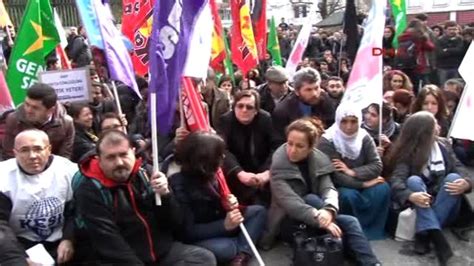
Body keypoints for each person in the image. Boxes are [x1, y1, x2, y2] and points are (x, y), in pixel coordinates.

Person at [72, 130, 215, 265]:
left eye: (123, 155)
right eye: (111, 157)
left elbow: (175, 223)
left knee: (203, 258)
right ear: (99, 159)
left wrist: (166, 195)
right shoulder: (90, 188)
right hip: (119, 260)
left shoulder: (147, 174)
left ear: (133, 152)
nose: (119, 163)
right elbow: (109, 241)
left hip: (160, 253)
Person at [262, 118, 381, 265]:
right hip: (290, 220)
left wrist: (329, 210)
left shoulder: (319, 159)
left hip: (319, 212)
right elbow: (290, 202)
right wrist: (320, 218)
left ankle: (371, 262)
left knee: (349, 221)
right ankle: (361, 256)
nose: (292, 150)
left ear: (311, 147)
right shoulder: (278, 165)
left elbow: (328, 188)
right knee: (312, 199)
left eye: (300, 146)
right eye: (290, 143)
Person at [169, 132, 267, 266]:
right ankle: (241, 247)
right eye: (219, 155)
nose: (223, 157)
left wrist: (228, 202)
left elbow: (220, 200)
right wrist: (224, 226)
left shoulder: (213, 174)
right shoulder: (178, 185)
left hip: (219, 220)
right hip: (201, 235)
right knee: (226, 249)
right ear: (205, 161)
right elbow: (188, 232)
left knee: (258, 212)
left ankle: (243, 253)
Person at [388, 111, 472, 265]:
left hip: (445, 204)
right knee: (413, 180)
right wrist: (410, 196)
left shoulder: (444, 144)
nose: (439, 128)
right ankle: (437, 238)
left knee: (453, 178)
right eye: (434, 125)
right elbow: (396, 181)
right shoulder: (409, 152)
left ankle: (425, 233)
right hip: (420, 205)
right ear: (424, 131)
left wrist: (467, 182)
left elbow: (460, 168)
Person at [0, 129, 77, 264]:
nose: (32, 156)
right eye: (24, 150)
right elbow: (1, 226)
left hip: (60, 240)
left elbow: (76, 211)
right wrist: (19, 259)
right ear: (15, 153)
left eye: (38, 149)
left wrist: (69, 239)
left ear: (49, 149)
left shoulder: (68, 170)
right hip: (18, 242)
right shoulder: (4, 177)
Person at [318, 105, 390, 240]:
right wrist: (364, 184)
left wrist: (353, 172)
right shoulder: (327, 141)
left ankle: (371, 230)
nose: (349, 126)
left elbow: (376, 165)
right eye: (344, 121)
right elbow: (336, 176)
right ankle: (350, 232)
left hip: (358, 178)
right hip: (340, 186)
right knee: (347, 195)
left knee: (382, 187)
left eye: (353, 121)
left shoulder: (364, 136)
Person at [217, 90, 279, 206]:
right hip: (237, 172)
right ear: (234, 107)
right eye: (240, 106)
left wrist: (267, 172)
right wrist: (239, 172)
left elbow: (276, 146)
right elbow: (223, 149)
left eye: (249, 107)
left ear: (256, 111)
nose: (244, 110)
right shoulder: (226, 120)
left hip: (262, 170)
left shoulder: (265, 119)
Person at [2, 83, 75, 160]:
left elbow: (65, 156)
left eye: (35, 108)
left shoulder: (66, 123)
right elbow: (9, 154)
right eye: (27, 104)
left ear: (51, 110)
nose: (28, 110)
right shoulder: (14, 119)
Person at [272, 67, 336, 144]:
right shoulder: (282, 111)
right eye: (308, 90)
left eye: (316, 88)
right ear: (297, 91)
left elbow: (332, 127)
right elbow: (280, 141)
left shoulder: (325, 100)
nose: (315, 94)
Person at [436, 21, 464, 85]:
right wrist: (454, 50)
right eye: (450, 29)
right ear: (445, 30)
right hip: (443, 67)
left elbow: (460, 51)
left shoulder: (460, 39)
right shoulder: (440, 40)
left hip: (456, 67)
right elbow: (440, 53)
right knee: (444, 86)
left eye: (454, 29)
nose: (452, 31)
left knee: (456, 86)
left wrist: (447, 50)